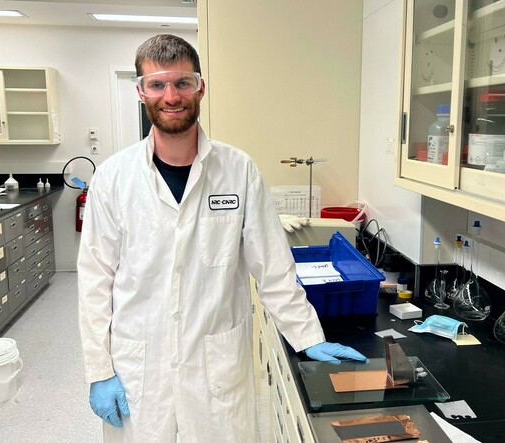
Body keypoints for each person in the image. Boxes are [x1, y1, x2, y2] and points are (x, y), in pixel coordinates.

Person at [77, 34, 367, 442]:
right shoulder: (112, 178)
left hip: (215, 370)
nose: (171, 96)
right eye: (158, 84)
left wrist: (307, 337)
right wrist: (99, 370)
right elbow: (94, 281)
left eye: (182, 83)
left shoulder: (238, 170)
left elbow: (273, 268)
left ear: (200, 87)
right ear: (141, 91)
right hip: (138, 367)